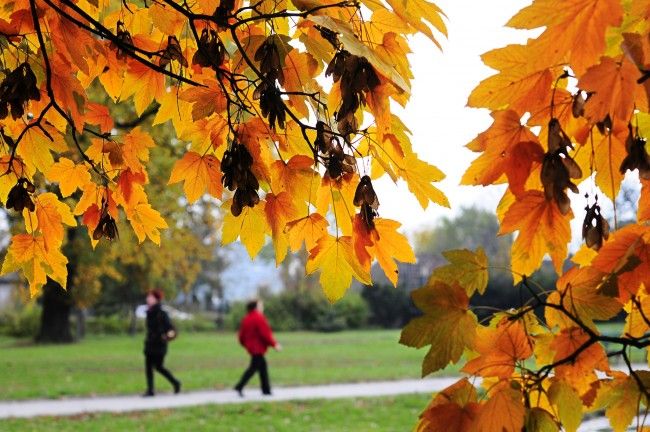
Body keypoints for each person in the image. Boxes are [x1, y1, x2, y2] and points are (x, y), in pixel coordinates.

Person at [234, 299, 281, 396]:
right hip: (258, 348)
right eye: (261, 305)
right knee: (253, 368)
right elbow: (265, 334)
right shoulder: (259, 318)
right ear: (256, 307)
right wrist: (275, 344)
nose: (262, 307)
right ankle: (239, 386)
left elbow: (241, 336)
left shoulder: (246, 318)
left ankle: (266, 390)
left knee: (262, 367)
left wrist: (246, 344)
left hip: (252, 348)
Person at [143, 289, 181, 397]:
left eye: (150, 297)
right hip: (149, 344)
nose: (148, 299)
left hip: (159, 345)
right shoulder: (149, 312)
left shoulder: (162, 313)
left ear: (156, 299)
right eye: (148, 297)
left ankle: (176, 382)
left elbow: (171, 329)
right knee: (148, 367)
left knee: (159, 367)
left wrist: (165, 337)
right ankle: (150, 390)